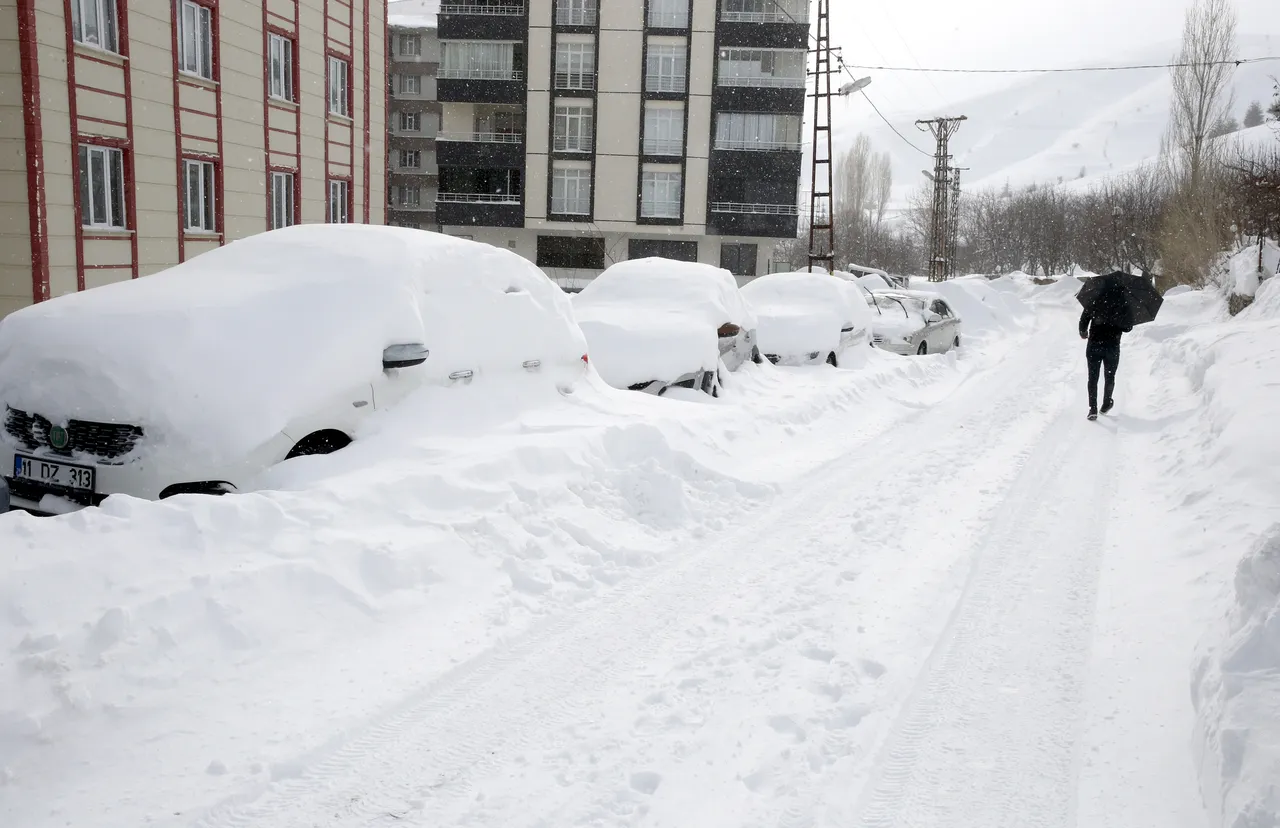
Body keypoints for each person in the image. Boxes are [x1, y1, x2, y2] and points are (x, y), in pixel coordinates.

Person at [1079, 276, 1133, 421]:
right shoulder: (1123, 303)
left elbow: (1084, 319)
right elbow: (1128, 327)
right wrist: (1118, 321)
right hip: (1112, 346)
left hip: (1094, 345)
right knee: (1110, 376)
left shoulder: (1095, 299)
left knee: (1093, 377)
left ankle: (1093, 409)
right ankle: (1107, 402)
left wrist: (1083, 332)